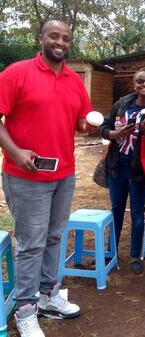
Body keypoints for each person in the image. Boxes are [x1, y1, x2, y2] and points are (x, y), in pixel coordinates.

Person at [0, 19, 92, 337]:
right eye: (54, 36)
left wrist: (87, 125)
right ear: (40, 38)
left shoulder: (74, 81)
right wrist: (14, 152)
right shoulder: (17, 73)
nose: (60, 42)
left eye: (66, 38)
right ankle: (25, 310)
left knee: (54, 237)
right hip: (26, 176)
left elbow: (81, 121)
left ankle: (49, 295)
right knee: (31, 244)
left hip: (64, 174)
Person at [100, 67, 145, 275]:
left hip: (140, 170)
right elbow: (104, 127)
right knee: (117, 210)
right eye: (140, 81)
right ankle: (110, 252)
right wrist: (117, 133)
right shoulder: (122, 104)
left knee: (138, 212)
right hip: (117, 166)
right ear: (135, 84)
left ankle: (135, 255)